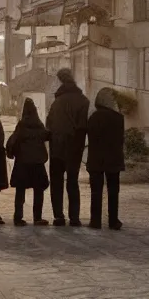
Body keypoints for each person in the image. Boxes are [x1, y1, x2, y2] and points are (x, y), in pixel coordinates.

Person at [46, 68, 89, 227]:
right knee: (72, 182)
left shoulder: (57, 102)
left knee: (56, 182)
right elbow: (83, 127)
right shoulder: (83, 101)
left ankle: (58, 216)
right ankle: (74, 217)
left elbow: (48, 125)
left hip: (57, 147)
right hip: (74, 148)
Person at [6, 98, 50, 226]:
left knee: (20, 191)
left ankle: (18, 218)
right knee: (39, 191)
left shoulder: (21, 126)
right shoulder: (39, 125)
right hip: (37, 164)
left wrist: (11, 153)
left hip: (22, 163)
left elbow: (13, 141)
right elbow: (47, 136)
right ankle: (37, 218)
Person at [86, 87, 125, 230]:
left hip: (96, 159)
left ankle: (95, 221)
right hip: (113, 159)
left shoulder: (93, 117)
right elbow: (121, 140)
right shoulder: (118, 118)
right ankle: (113, 221)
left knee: (96, 192)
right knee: (113, 192)